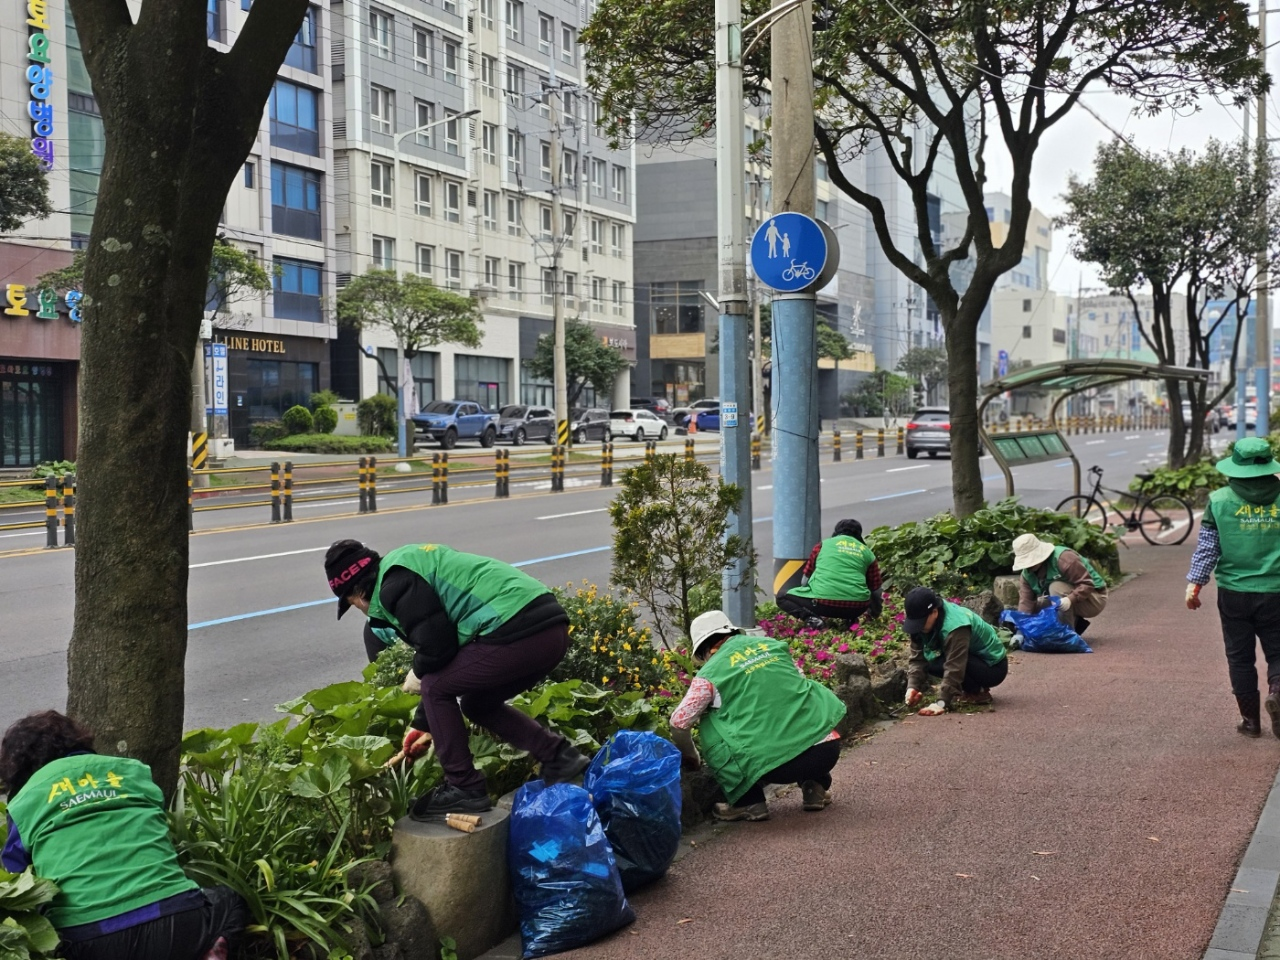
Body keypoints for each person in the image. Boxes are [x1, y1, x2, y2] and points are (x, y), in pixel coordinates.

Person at [325, 539, 590, 817]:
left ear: (356, 590)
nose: (358, 609)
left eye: (351, 603)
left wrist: (417, 673)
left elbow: (438, 648)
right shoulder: (403, 566)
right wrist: (422, 724)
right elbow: (451, 653)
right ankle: (559, 757)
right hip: (549, 631)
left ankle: (464, 788)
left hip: (520, 630)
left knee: (435, 687)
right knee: (477, 704)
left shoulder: (395, 586)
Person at [0, 711, 247, 960]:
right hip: (177, 923)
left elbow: (14, 878)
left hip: (86, 942)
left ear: (17, 765)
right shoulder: (134, 771)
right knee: (230, 899)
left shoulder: (24, 801)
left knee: (43, 910)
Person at [669, 610, 847, 822]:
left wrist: (692, 756)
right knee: (796, 700)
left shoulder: (709, 674)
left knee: (710, 722)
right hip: (825, 752)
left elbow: (678, 723)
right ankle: (815, 785)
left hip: (773, 766)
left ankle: (748, 802)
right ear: (733, 632)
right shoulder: (775, 647)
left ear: (703, 651)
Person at [1185, 437, 1280, 738]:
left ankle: (1250, 722)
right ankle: (1277, 693)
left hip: (1234, 593)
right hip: (1277, 591)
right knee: (1278, 652)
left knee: (1239, 656)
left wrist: (1195, 584)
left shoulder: (1219, 500)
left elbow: (1207, 548)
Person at [903, 587, 1009, 714]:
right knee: (931, 662)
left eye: (921, 623)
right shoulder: (923, 623)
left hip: (994, 667)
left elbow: (955, 666)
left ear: (934, 612)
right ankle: (972, 690)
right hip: (969, 659)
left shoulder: (956, 627)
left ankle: (977, 692)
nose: (918, 627)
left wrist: (941, 703)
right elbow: (917, 659)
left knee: (941, 662)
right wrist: (912, 688)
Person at [777, 519, 884, 628]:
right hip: (857, 607)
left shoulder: (822, 545)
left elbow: (804, 582)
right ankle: (850, 618)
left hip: (822, 604)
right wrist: (875, 613)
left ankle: (811, 619)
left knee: (781, 596)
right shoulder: (867, 552)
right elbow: (875, 590)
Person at [1011, 532, 1109, 635]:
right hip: (1065, 600)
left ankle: (1067, 635)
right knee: (1038, 605)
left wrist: (1069, 599)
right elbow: (1026, 603)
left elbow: (1087, 584)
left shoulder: (1064, 559)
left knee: (1056, 587)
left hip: (1094, 598)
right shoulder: (1027, 575)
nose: (1029, 566)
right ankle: (1075, 623)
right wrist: (1019, 632)